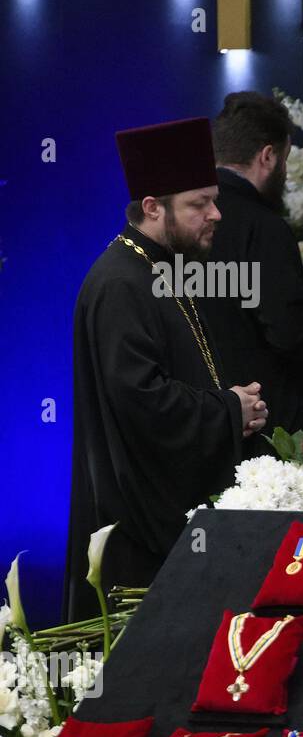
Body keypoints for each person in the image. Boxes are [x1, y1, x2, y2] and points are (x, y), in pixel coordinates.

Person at [63, 117, 267, 621]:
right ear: (153, 207)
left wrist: (232, 402)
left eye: (214, 199)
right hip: (134, 532)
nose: (216, 214)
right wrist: (228, 410)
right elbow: (141, 401)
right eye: (200, 203)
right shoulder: (120, 283)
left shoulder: (159, 268)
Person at [206, 91, 303, 457]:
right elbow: (287, 332)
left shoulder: (182, 223)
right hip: (264, 427)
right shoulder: (265, 227)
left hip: (202, 417)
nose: (284, 172)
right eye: (284, 161)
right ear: (268, 156)